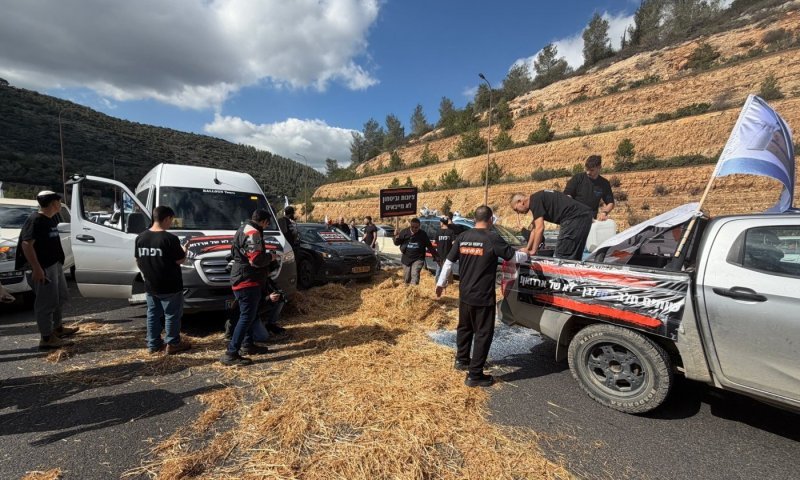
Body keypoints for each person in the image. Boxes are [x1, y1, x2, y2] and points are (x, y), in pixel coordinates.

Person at [435, 205, 516, 387]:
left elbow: (448, 261)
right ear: (490, 219)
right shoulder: (492, 237)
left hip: (465, 294)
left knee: (464, 328)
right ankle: (475, 374)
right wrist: (529, 254)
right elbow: (513, 256)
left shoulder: (463, 237)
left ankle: (462, 360)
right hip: (483, 296)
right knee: (483, 333)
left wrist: (441, 284)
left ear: (474, 219)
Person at [16, 191, 77, 349]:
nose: (60, 204)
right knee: (46, 302)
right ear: (53, 203)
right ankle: (47, 338)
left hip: (54, 265)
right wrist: (36, 268)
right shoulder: (35, 220)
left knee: (60, 297)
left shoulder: (50, 219)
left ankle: (57, 329)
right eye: (59, 201)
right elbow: (26, 244)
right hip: (42, 268)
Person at [222, 209, 278, 366]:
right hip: (248, 280)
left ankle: (248, 345)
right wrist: (271, 257)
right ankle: (231, 353)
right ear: (264, 221)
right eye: (267, 224)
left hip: (243, 277)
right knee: (246, 317)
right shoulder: (253, 232)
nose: (267, 227)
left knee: (247, 315)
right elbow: (256, 260)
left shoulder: (242, 229)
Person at [135, 206, 191, 355]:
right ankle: (172, 343)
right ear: (166, 218)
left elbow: (138, 260)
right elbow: (180, 260)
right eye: (171, 220)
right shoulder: (170, 239)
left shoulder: (141, 237)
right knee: (172, 314)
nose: (171, 223)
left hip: (151, 285)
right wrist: (184, 250)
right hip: (170, 285)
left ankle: (153, 344)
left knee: (153, 314)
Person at [510, 190, 593, 260]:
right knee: (573, 255)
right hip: (584, 216)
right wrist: (528, 248)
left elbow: (540, 228)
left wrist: (533, 251)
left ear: (520, 202)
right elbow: (534, 230)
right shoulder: (537, 199)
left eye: (516, 210)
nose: (518, 213)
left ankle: (563, 278)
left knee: (562, 256)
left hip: (574, 217)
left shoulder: (535, 201)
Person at [564, 155, 615, 220]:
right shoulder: (577, 178)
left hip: (591, 220)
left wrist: (604, 213)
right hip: (573, 218)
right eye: (587, 169)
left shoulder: (604, 183)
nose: (588, 172)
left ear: (599, 167)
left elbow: (610, 203)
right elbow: (567, 195)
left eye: (591, 170)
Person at [394, 217, 439, 285]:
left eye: (416, 227)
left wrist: (436, 256)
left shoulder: (423, 234)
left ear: (419, 226)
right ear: (410, 225)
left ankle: (414, 290)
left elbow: (429, 246)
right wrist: (395, 236)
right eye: (412, 227)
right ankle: (406, 291)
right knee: (406, 278)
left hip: (418, 258)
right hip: (406, 258)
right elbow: (397, 243)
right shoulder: (404, 232)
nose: (414, 229)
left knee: (415, 274)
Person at [434, 217, 456, 282]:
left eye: (440, 222)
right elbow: (453, 243)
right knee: (448, 270)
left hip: (439, 254)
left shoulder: (438, 231)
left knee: (439, 270)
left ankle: (437, 283)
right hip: (448, 254)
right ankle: (449, 283)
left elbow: (435, 242)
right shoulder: (451, 232)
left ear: (442, 223)